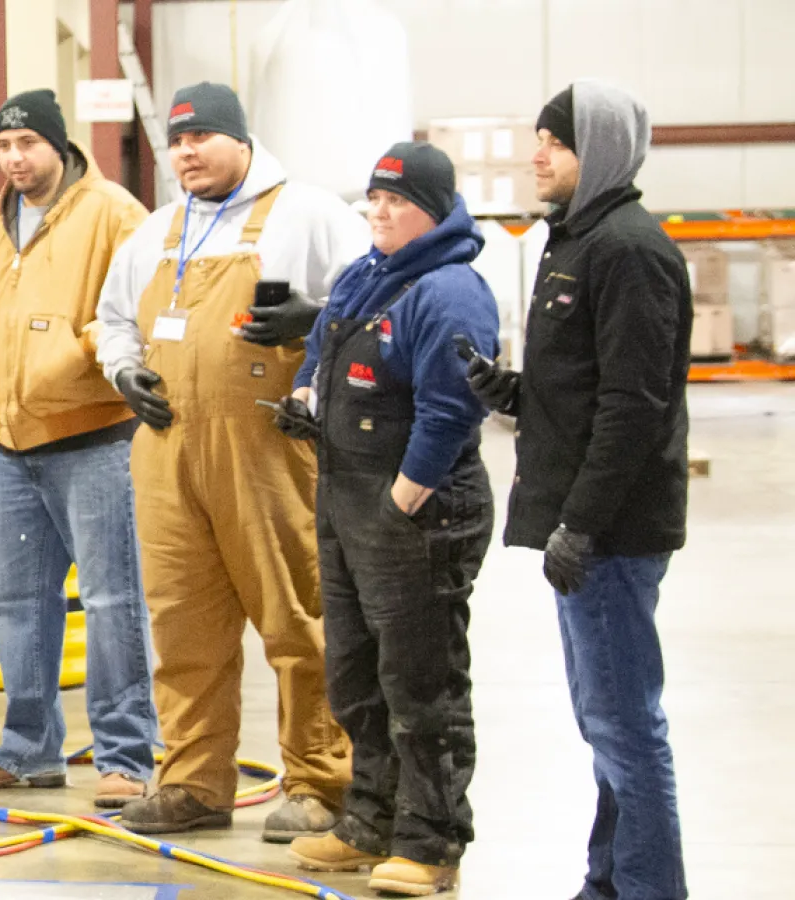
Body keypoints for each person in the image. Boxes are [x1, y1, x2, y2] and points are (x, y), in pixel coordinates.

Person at [94, 81, 367, 839]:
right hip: (165, 451)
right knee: (183, 624)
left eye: (202, 137)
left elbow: (376, 304)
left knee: (296, 615)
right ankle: (193, 782)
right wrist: (124, 371)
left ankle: (320, 780)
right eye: (177, 141)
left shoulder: (308, 214)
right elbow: (111, 319)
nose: (187, 152)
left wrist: (319, 318)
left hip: (267, 448)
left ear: (241, 140)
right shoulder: (154, 232)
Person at [467, 82, 691, 900]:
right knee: (608, 729)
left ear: (594, 152)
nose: (537, 155)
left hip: (612, 536)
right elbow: (588, 389)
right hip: (586, 531)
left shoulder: (628, 249)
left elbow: (636, 405)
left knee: (627, 729)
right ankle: (610, 883)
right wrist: (513, 393)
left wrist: (584, 526)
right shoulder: (576, 240)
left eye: (554, 143)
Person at [278, 143, 498, 896]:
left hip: (414, 512)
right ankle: (369, 821)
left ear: (432, 211)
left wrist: (403, 501)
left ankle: (431, 842)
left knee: (421, 685)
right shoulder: (366, 275)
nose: (377, 211)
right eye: (373, 197)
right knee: (356, 677)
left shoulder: (449, 291)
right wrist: (307, 397)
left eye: (395, 201)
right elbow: (318, 351)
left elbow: (450, 411)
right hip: (346, 501)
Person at [0, 89, 157, 809]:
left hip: (94, 440)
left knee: (109, 599)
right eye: (3, 148)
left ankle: (125, 754)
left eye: (27, 144)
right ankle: (29, 747)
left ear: (60, 147)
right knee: (17, 601)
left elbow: (133, 310)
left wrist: (66, 356)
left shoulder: (115, 215)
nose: (14, 159)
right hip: (8, 444)